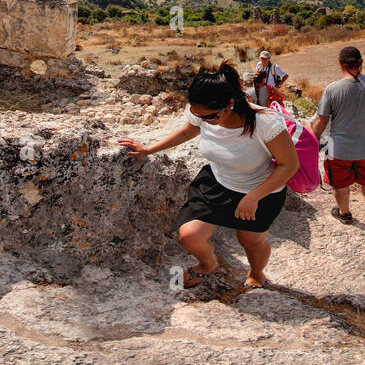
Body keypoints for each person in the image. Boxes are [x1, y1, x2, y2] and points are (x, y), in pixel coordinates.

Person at [118, 64, 297, 292]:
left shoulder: (264, 123)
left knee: (250, 241)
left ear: (229, 104)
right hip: (218, 184)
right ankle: (208, 264)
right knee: (189, 236)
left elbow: (289, 165)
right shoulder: (203, 112)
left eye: (209, 117)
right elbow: (187, 131)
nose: (203, 120)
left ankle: (256, 273)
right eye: (197, 114)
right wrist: (149, 149)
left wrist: (254, 197)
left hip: (261, 192)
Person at [307, 44, 365, 223]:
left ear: (341, 64)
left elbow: (321, 121)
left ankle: (345, 213)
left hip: (338, 149)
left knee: (340, 183)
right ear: (361, 62)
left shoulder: (332, 89)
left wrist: (312, 141)